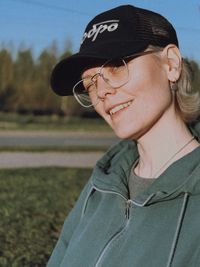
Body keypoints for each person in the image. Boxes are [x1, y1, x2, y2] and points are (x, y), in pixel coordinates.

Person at [47, 5, 200, 267]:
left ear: (171, 65)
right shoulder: (101, 184)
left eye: (116, 66)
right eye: (90, 83)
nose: (101, 92)